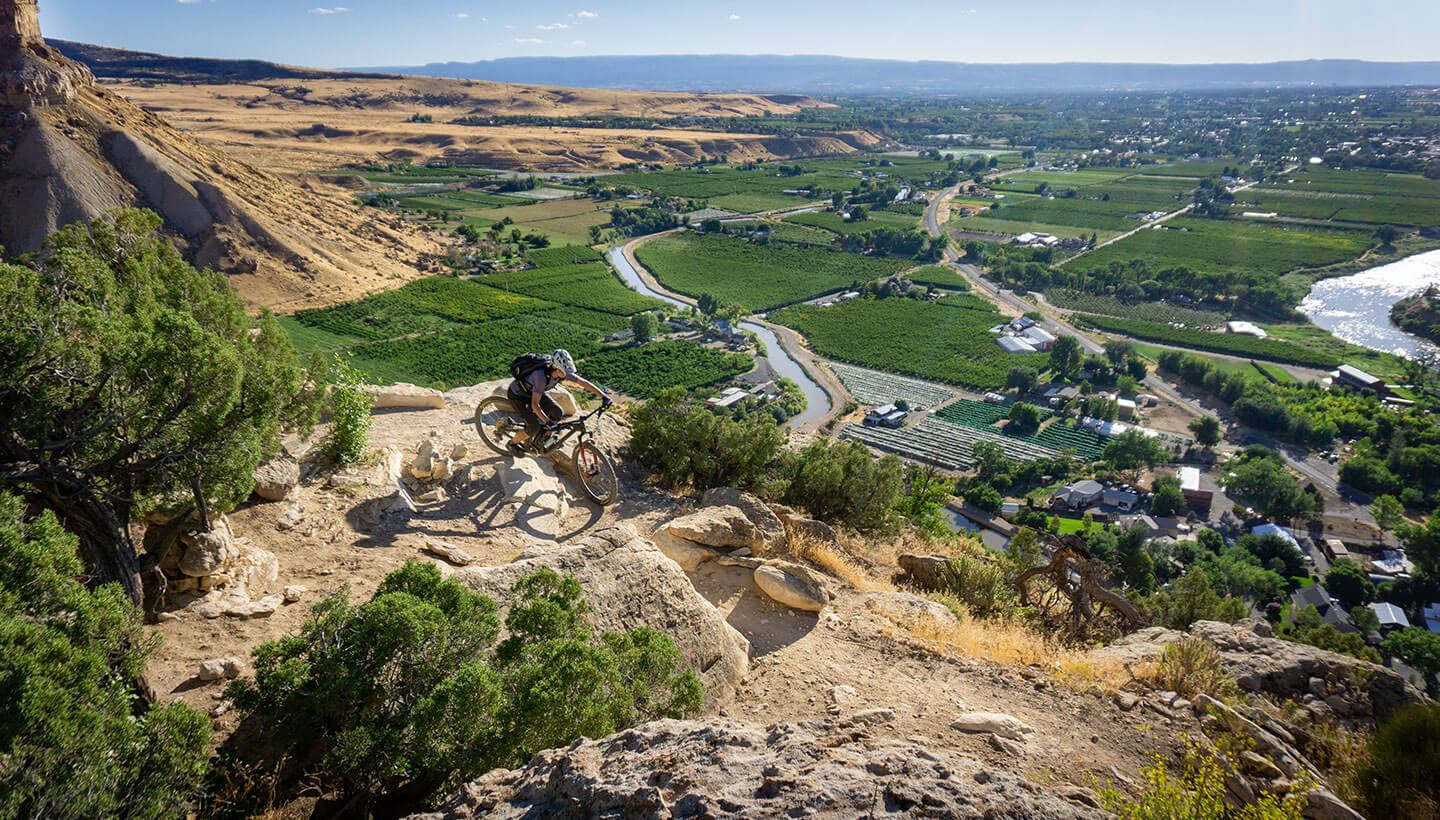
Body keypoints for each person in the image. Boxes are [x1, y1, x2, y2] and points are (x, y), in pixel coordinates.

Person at [506, 349, 609, 455]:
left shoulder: (562, 372)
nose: (566, 374)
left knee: (557, 411)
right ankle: (512, 443)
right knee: (534, 427)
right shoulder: (540, 376)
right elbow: (535, 405)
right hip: (518, 396)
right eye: (563, 372)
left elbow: (583, 382)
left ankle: (543, 440)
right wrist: (547, 421)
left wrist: (604, 396)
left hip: (534, 393)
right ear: (555, 367)